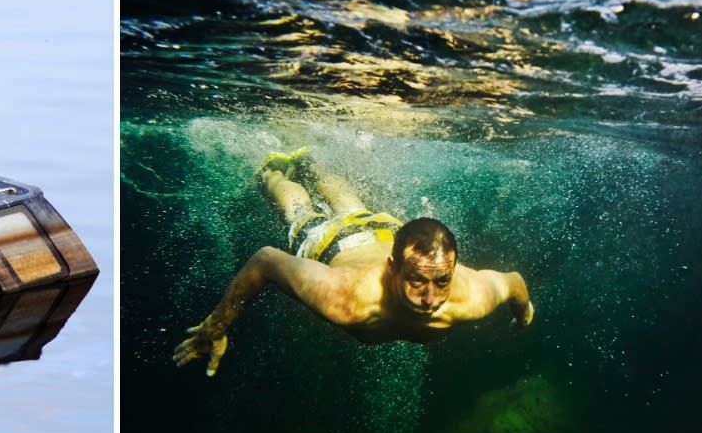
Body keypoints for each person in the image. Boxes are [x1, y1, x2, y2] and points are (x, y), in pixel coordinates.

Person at [174, 148, 535, 376]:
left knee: (353, 205)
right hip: (334, 247)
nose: (430, 297)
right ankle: (273, 172)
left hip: (384, 232)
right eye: (416, 281)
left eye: (441, 280)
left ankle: (308, 162)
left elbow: (513, 282)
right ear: (393, 269)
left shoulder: (472, 295)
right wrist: (216, 326)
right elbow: (266, 260)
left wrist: (524, 311)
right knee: (299, 212)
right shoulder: (344, 299)